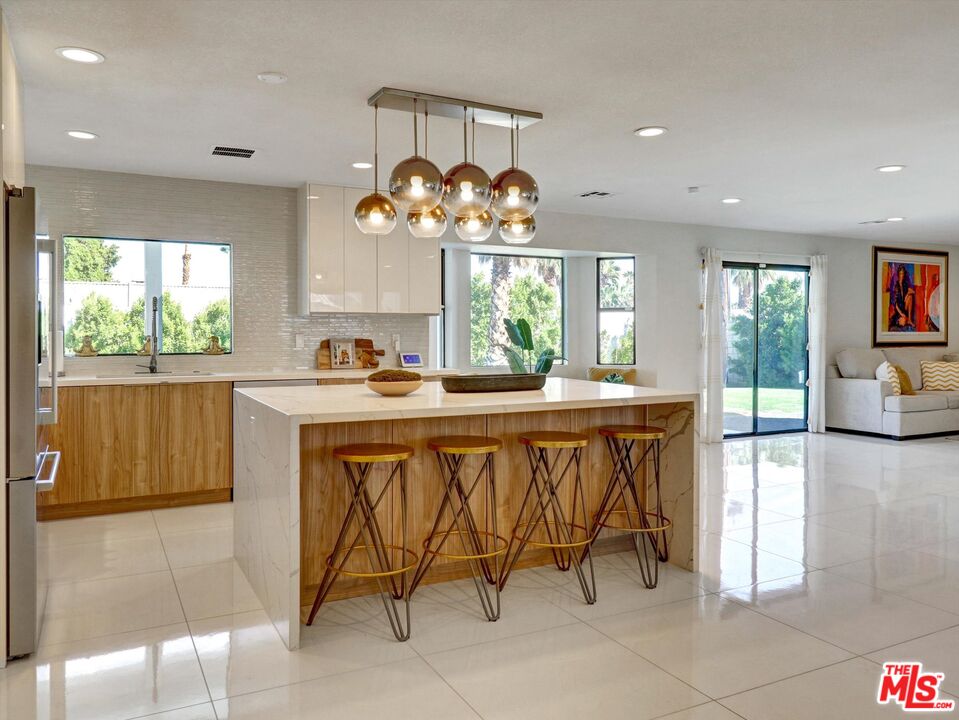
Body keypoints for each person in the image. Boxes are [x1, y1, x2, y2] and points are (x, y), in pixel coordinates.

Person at [888, 264, 916, 331]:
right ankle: (902, 319)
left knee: (910, 296)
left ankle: (909, 319)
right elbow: (895, 303)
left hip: (904, 306)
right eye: (900, 273)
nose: (902, 275)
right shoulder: (896, 285)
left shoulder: (905, 284)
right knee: (903, 323)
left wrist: (906, 296)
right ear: (898, 274)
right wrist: (901, 314)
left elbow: (913, 291)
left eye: (903, 273)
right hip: (898, 310)